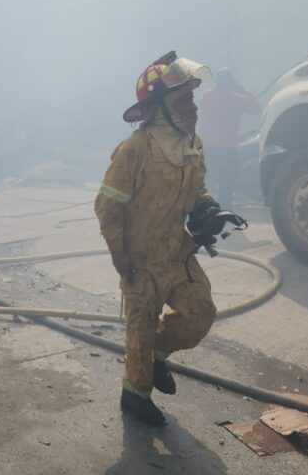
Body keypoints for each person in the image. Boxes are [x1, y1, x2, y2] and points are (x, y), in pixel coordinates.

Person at [95, 52, 245, 427]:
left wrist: (211, 211)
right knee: (140, 332)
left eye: (192, 98)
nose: (193, 106)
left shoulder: (193, 143)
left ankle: (158, 357)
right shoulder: (134, 150)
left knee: (200, 314)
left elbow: (198, 193)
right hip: (140, 258)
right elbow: (106, 208)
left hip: (177, 252)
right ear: (159, 106)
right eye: (184, 99)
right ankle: (135, 395)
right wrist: (119, 255)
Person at [195, 68, 261, 208]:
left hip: (207, 146)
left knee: (204, 181)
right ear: (231, 81)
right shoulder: (237, 97)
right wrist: (242, 90)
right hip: (228, 148)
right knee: (226, 183)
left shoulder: (206, 96)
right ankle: (224, 210)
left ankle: (199, 207)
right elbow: (257, 108)